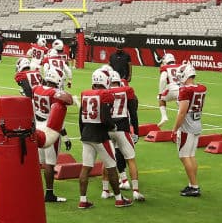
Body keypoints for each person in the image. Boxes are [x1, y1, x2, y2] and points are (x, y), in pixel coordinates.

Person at [77, 71, 127, 209]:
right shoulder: (105, 95)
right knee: (111, 167)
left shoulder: (85, 94)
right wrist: (113, 125)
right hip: (100, 136)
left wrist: (83, 133)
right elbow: (105, 117)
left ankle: (82, 200)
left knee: (86, 168)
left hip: (86, 134)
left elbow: (80, 118)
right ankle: (119, 199)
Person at [32, 64, 71, 203]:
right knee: (49, 163)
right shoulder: (55, 94)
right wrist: (65, 136)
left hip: (37, 126)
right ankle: (49, 194)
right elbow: (62, 109)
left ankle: (35, 190)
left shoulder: (36, 88)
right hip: (50, 128)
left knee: (39, 162)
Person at [105, 69, 143, 201]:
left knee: (107, 160)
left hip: (108, 129)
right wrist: (136, 132)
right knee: (131, 159)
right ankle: (136, 191)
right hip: (122, 128)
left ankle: (105, 190)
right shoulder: (127, 91)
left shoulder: (104, 92)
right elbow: (133, 113)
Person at [174, 63, 206, 197]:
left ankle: (194, 186)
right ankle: (192, 184)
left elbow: (182, 112)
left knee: (184, 156)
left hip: (187, 126)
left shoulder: (185, 90)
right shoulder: (201, 88)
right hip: (197, 123)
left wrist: (175, 129)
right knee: (191, 155)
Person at [157, 52, 182, 126]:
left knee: (160, 98)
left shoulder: (165, 67)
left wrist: (161, 92)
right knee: (182, 107)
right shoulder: (181, 66)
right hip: (182, 90)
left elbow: (163, 80)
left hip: (171, 89)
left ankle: (164, 117)